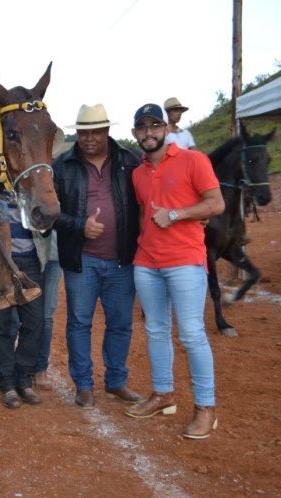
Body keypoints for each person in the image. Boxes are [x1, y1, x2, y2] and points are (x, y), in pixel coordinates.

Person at [125, 103, 225, 439]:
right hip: (147, 262)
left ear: (166, 129)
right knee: (155, 330)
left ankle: (206, 409)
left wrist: (177, 214)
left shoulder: (193, 160)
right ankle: (163, 394)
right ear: (135, 133)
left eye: (155, 126)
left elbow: (216, 203)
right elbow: (143, 214)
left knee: (192, 334)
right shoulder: (138, 173)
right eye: (142, 127)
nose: (149, 133)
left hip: (184, 260)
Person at [52, 104, 143, 409]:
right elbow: (49, 214)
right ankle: (84, 385)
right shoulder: (61, 165)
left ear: (107, 131)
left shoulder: (129, 160)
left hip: (122, 259)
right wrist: (80, 226)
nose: (88, 138)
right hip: (82, 260)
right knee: (79, 323)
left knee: (120, 324)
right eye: (83, 132)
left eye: (95, 132)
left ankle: (116, 382)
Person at [0, 202, 46, 408]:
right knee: (2, 323)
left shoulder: (31, 183)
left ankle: (24, 377)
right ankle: (7, 382)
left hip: (31, 259)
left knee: (36, 320)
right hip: (0, 262)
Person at [33, 231, 61, 390]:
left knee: (46, 316)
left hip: (53, 254)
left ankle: (40, 369)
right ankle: (7, 370)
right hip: (24, 253)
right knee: (14, 314)